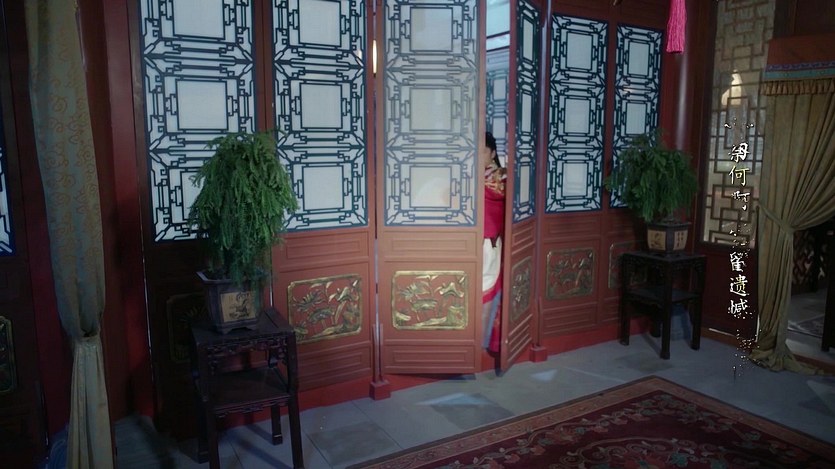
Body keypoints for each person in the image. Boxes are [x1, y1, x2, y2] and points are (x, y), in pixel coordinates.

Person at [482, 132, 506, 353]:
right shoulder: (469, 176)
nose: (479, 156)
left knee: (486, 290)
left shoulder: (501, 177)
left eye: (484, 151)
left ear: (493, 153)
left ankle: (483, 340)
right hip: (473, 241)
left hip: (490, 243)